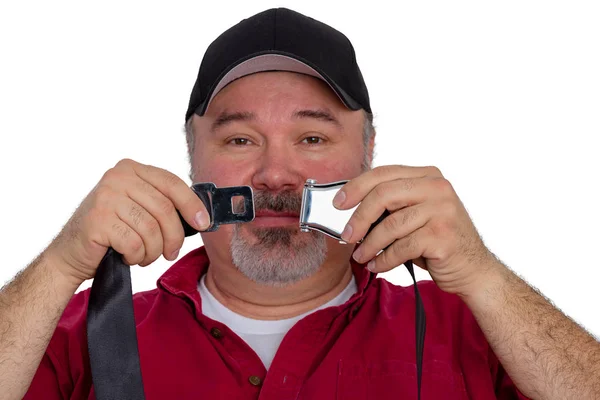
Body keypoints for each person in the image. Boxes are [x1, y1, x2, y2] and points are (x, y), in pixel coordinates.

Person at [1, 7, 599, 400]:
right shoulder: (74, 335)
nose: (275, 173)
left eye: (313, 138)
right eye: (239, 140)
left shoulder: (473, 328)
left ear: (369, 154)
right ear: (193, 162)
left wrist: (485, 278)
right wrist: (58, 267)